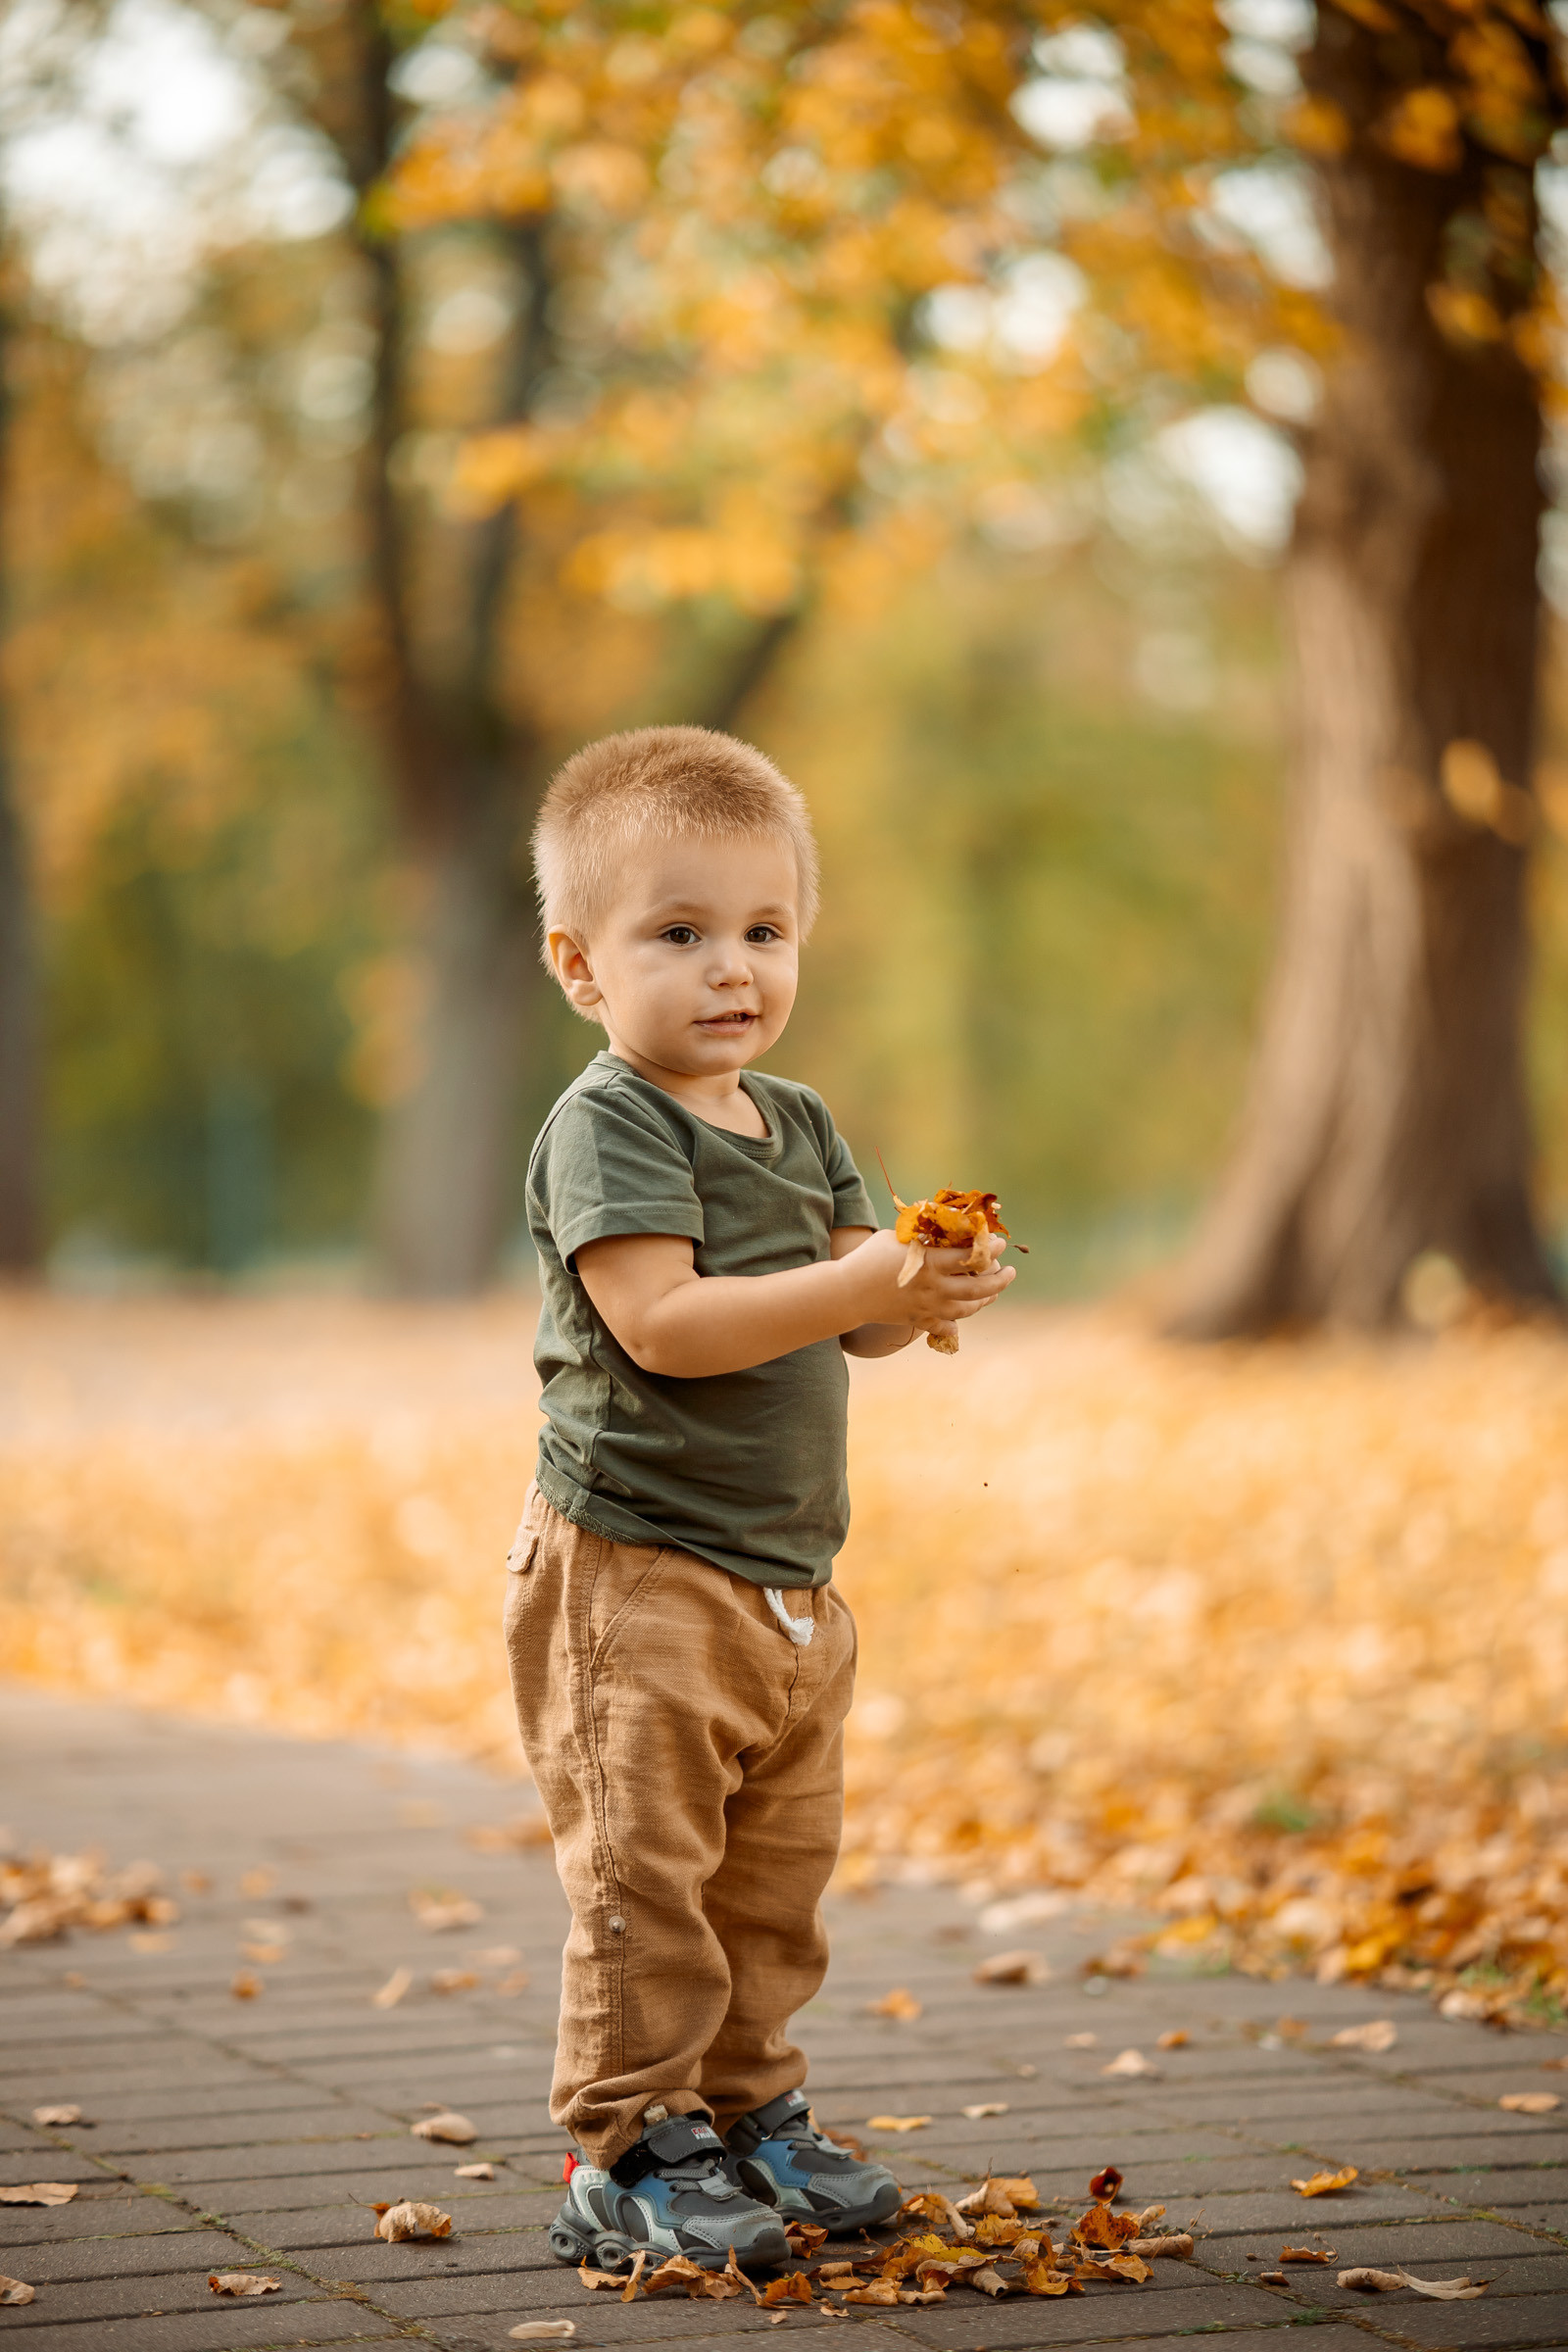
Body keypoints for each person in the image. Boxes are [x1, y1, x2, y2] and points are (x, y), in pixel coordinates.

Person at [506, 724, 1016, 2275]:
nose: (731, 968)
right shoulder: (609, 1124)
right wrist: (860, 1282)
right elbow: (666, 1324)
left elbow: (857, 1318)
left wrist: (924, 1287)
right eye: (678, 934)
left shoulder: (797, 1123)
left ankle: (744, 2113)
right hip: (637, 1569)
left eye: (764, 930)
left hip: (789, 1579)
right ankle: (626, 2147)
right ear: (581, 966)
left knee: (771, 1881)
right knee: (646, 1877)